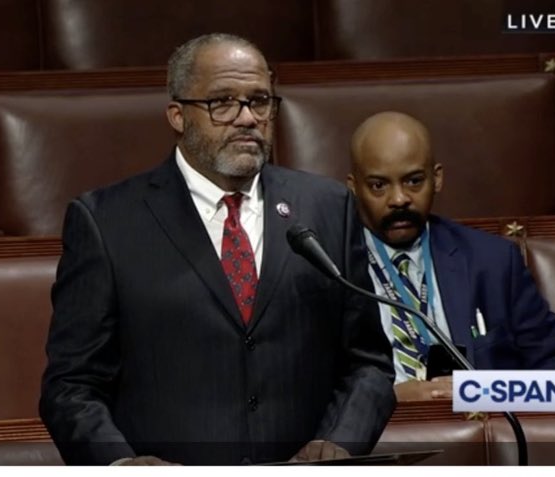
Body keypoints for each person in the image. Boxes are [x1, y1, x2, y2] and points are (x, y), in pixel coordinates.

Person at [39, 33, 396, 465]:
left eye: (260, 101)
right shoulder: (107, 221)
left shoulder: (326, 208)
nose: (247, 118)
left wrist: (341, 443)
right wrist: (119, 464)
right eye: (222, 102)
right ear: (177, 115)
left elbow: (368, 362)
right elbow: (71, 384)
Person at [346, 111, 555, 402]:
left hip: (480, 435)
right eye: (379, 185)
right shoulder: (328, 267)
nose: (399, 199)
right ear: (354, 187)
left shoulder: (492, 262)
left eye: (414, 181)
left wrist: (475, 392)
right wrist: (387, 401)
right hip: (377, 441)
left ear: (436, 179)